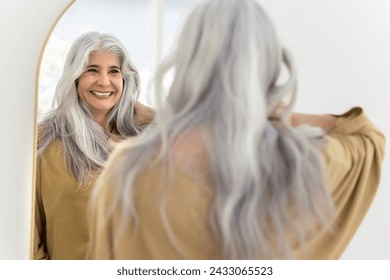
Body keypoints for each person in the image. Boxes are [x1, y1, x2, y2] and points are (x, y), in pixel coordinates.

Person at [87, 0, 385, 260]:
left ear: (189, 61)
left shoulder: (129, 171)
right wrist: (268, 109)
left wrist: (165, 116)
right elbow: (366, 135)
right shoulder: (305, 167)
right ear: (268, 65)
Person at [33, 31, 154, 260]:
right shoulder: (44, 140)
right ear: (75, 76)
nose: (104, 81)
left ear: (124, 79)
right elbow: (29, 236)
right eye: (92, 70)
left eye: (114, 72)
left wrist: (153, 116)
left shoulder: (142, 139)